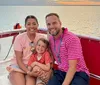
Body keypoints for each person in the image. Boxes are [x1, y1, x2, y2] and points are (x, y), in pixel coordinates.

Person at [45, 13, 90, 85]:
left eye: (54, 23)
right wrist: (49, 71)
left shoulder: (71, 39)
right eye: (49, 24)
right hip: (61, 72)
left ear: (60, 23)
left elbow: (73, 67)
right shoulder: (51, 39)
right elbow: (51, 58)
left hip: (78, 73)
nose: (51, 26)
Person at [7, 15, 48, 85]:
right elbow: (18, 60)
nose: (31, 26)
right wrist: (28, 72)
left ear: (37, 25)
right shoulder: (19, 38)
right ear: (25, 26)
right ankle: (12, 76)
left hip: (32, 67)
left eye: (34, 24)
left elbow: (46, 55)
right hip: (18, 66)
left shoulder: (42, 38)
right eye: (28, 24)